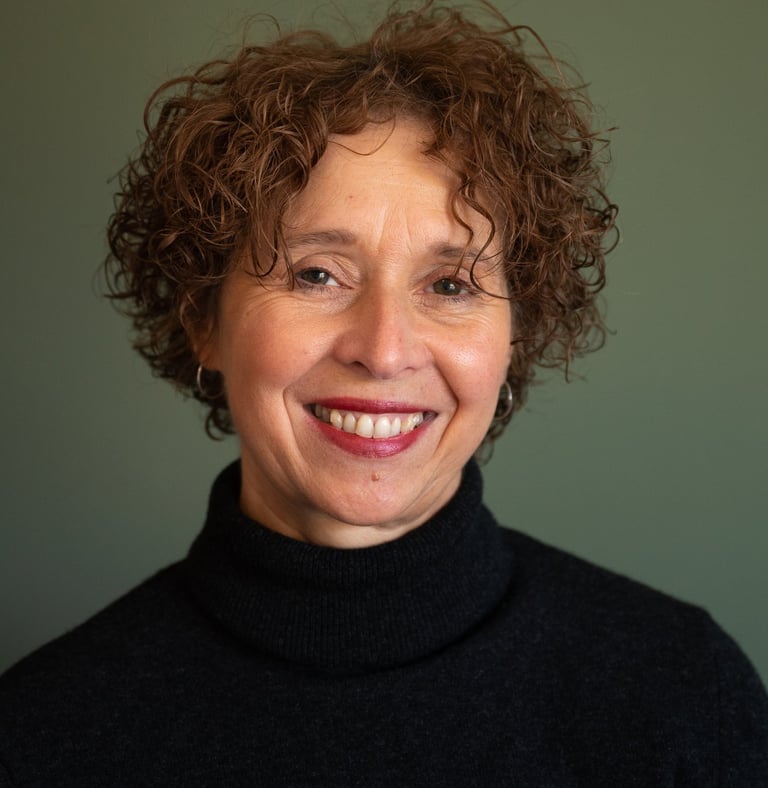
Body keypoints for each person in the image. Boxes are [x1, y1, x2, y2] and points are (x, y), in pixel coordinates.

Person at [1, 1, 766, 784]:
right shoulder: (42, 735)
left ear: (517, 333)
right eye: (317, 274)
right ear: (203, 317)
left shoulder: (683, 696)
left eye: (450, 284)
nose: (385, 349)